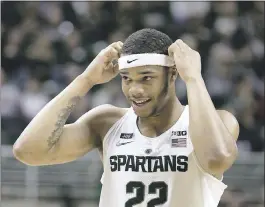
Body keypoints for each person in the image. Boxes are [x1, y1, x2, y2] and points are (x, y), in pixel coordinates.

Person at [13, 28, 239, 207]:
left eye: (146, 78)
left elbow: (217, 159)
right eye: (126, 79)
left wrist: (193, 78)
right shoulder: (107, 122)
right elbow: (27, 151)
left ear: (172, 74)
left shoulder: (218, 121)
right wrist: (85, 80)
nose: (135, 90)